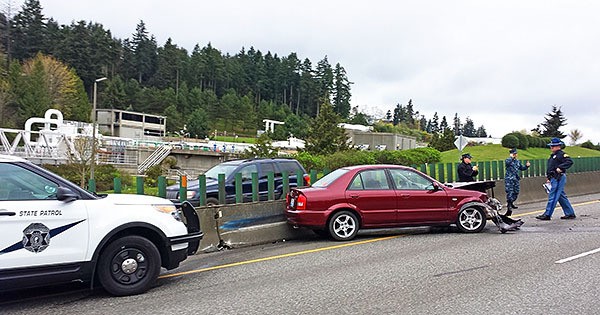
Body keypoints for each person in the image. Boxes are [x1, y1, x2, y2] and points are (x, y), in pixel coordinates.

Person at [536, 138, 576, 220]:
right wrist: (549, 177)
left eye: (553, 146)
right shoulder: (553, 156)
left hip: (558, 177)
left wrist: (560, 167)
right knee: (561, 196)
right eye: (551, 146)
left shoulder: (561, 155)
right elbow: (551, 167)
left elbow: (569, 161)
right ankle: (570, 213)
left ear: (558, 146)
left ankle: (547, 214)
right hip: (553, 177)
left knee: (553, 196)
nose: (551, 148)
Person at [504, 148, 530, 216]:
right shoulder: (508, 160)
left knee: (516, 192)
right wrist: (511, 158)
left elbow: (521, 168)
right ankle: (509, 205)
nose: (515, 155)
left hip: (515, 179)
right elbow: (507, 163)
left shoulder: (517, 161)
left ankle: (511, 202)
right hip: (509, 179)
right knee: (510, 192)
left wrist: (526, 166)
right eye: (514, 154)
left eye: (516, 154)